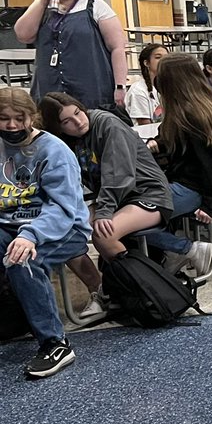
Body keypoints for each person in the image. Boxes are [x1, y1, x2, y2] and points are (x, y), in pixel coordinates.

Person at [38, 93, 175, 312]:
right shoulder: (64, 142)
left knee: (104, 234)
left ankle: (142, 291)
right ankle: (101, 290)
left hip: (147, 194)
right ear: (58, 127)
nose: (78, 121)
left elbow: (119, 176)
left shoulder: (107, 123)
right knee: (66, 234)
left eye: (77, 112)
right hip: (112, 199)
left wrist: (103, 211)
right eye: (67, 121)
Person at [0, 87, 91, 378]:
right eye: (3, 119)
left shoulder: (54, 150)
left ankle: (55, 343)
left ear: (32, 118)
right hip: (9, 224)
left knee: (21, 259)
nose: (12, 125)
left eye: (19, 118)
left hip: (62, 227)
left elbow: (62, 209)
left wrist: (30, 235)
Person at [141, 54, 212, 276]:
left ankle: (185, 250)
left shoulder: (193, 115)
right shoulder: (185, 108)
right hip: (181, 183)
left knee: (126, 224)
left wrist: (211, 206)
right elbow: (172, 138)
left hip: (192, 189)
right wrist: (157, 143)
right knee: (130, 216)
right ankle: (169, 257)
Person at [13, 0, 128, 110]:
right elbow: (23, 35)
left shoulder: (95, 5)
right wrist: (41, 2)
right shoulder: (42, 6)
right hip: (50, 87)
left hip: (90, 88)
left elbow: (117, 47)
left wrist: (120, 86)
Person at [126, 44, 169, 125]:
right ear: (146, 63)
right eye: (158, 57)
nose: (163, 61)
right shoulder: (138, 90)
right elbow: (145, 125)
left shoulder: (168, 87)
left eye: (166, 58)